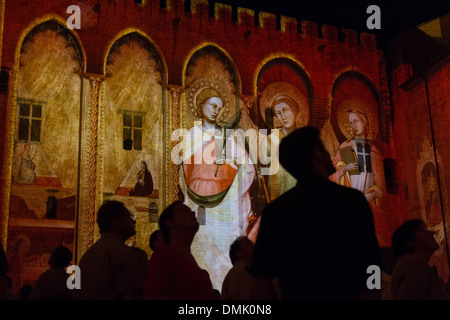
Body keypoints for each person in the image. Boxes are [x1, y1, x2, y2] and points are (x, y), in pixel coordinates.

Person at [250, 126, 382, 299]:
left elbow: (261, 276)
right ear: (317, 154)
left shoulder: (276, 211)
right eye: (323, 147)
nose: (328, 153)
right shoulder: (351, 201)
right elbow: (372, 264)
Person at [178, 86, 255, 290]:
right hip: (198, 199)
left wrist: (233, 193)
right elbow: (185, 172)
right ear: (201, 105)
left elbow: (247, 166)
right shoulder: (191, 135)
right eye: (212, 105)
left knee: (223, 247)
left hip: (223, 201)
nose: (215, 111)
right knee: (201, 242)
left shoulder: (226, 137)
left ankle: (224, 290)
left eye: (219, 108)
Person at [76, 200, 148, 300]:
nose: (133, 221)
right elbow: (131, 295)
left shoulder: (89, 254)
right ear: (117, 222)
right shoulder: (122, 252)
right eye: (128, 217)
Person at [143, 201, 215, 299]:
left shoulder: (188, 258)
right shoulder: (164, 253)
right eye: (185, 211)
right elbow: (153, 295)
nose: (193, 213)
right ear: (170, 222)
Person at [331, 110, 384, 207]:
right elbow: (331, 174)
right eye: (351, 123)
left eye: (356, 121)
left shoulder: (373, 151)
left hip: (368, 204)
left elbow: (381, 186)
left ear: (364, 122)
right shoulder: (345, 147)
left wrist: (372, 195)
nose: (353, 126)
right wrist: (344, 169)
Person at [390, 219, 447, 300]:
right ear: (411, 241)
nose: (433, 233)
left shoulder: (408, 265)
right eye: (423, 230)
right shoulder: (415, 265)